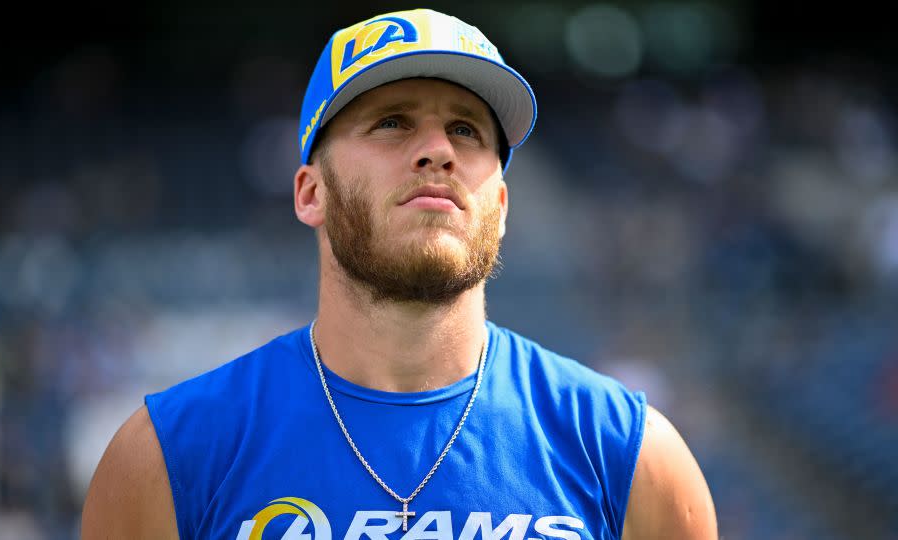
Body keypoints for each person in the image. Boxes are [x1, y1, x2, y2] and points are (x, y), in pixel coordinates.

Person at [81, 9, 717, 540]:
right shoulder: (166, 458)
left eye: (466, 130)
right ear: (310, 193)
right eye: (392, 122)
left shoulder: (632, 459)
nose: (438, 148)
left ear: (499, 204)